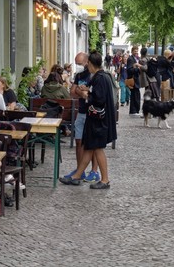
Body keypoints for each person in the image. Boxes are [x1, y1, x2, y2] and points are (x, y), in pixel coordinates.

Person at [60, 51, 117, 189]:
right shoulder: (101, 76)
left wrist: (86, 95)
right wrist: (88, 90)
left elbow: (99, 99)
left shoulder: (100, 78)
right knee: (89, 148)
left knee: (97, 148)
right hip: (96, 119)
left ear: (90, 64)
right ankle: (77, 175)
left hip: (98, 120)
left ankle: (104, 180)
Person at [63, 52, 101, 182]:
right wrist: (81, 92)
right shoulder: (80, 75)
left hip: (93, 113)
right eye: (76, 63)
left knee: (94, 144)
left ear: (87, 62)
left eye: (79, 63)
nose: (78, 66)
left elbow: (94, 94)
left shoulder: (97, 76)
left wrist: (82, 92)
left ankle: (94, 171)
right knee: (79, 142)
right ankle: (80, 170)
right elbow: (72, 92)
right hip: (82, 112)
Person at [126, 46, 142, 116]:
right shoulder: (130, 59)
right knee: (135, 96)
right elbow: (129, 70)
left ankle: (135, 111)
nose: (136, 52)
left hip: (135, 80)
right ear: (132, 51)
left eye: (137, 51)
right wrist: (138, 69)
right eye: (135, 51)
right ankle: (133, 111)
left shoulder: (135, 58)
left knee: (136, 95)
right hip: (134, 80)